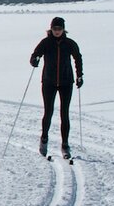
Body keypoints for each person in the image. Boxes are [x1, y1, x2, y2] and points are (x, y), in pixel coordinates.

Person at [30, 17, 83, 159]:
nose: (57, 31)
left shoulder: (70, 43)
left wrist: (79, 76)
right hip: (49, 82)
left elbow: (77, 58)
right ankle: (44, 139)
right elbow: (35, 54)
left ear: (63, 29)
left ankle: (65, 145)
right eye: (55, 29)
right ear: (51, 29)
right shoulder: (46, 43)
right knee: (48, 111)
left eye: (59, 29)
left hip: (66, 82)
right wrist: (34, 60)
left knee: (64, 114)